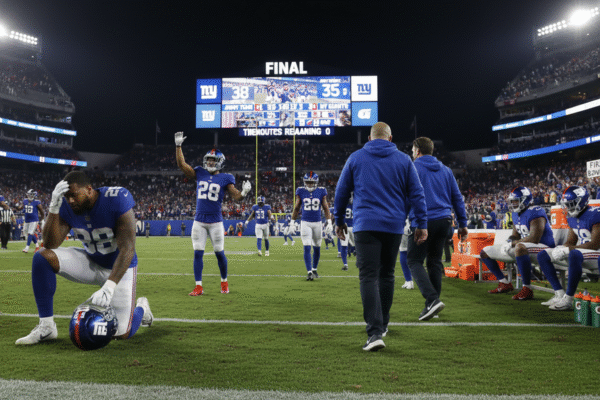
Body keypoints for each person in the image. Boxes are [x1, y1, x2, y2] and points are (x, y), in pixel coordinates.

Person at [15, 171, 153, 345]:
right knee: (42, 257)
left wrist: (110, 286)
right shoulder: (66, 205)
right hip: (91, 261)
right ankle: (47, 326)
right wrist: (54, 206)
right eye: (67, 197)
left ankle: (142, 307)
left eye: (74, 195)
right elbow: (49, 244)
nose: (71, 200)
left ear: (88, 189)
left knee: (120, 333)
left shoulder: (116, 199)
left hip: (119, 268)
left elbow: (128, 249)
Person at [335, 122, 428, 351]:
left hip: (365, 225)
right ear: (390, 138)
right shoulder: (404, 160)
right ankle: (383, 324)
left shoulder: (356, 158)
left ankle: (374, 332)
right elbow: (417, 193)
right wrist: (421, 224)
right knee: (387, 274)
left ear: (369, 138)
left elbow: (341, 192)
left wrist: (339, 220)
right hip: (393, 225)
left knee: (368, 276)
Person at [175, 131, 251, 296]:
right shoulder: (200, 173)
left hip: (216, 222)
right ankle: (198, 286)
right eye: (208, 159)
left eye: (213, 160)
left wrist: (244, 193)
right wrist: (178, 146)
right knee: (197, 253)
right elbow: (182, 165)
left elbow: (236, 196)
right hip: (199, 221)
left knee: (219, 253)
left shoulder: (225, 178)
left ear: (220, 162)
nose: (209, 162)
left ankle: (224, 282)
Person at [408, 137, 468, 321]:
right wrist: (463, 223)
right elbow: (457, 198)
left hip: (423, 220)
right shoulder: (446, 170)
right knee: (434, 261)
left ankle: (432, 299)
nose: (412, 152)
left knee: (414, 261)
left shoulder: (413, 168)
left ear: (417, 150)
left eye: (412, 149)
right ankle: (432, 306)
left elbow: (405, 197)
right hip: (444, 221)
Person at [480, 186, 556, 300]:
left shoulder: (536, 211)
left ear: (525, 200)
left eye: (515, 201)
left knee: (519, 247)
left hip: (544, 248)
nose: (513, 204)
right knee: (485, 252)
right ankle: (504, 282)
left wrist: (513, 244)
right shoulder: (515, 213)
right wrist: (509, 241)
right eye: (512, 201)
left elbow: (534, 238)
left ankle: (527, 288)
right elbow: (515, 235)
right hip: (523, 248)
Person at [537, 186, 600, 310]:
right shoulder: (571, 217)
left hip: (596, 252)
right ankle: (559, 294)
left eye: (571, 204)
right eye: (566, 204)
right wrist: (561, 248)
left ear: (581, 201)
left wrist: (567, 250)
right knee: (543, 255)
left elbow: (595, 244)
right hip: (583, 253)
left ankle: (569, 299)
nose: (568, 208)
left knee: (574, 254)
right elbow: (571, 241)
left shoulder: (595, 214)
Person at [291, 171, 333, 281]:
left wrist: (329, 222)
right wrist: (292, 222)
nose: (309, 184)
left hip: (317, 223)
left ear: (316, 182)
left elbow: (325, 207)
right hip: (305, 222)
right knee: (307, 246)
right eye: (308, 182)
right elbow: (296, 207)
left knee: (317, 247)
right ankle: (309, 272)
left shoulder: (321, 191)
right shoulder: (300, 190)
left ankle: (314, 269)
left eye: (311, 182)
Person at [338, 196, 356, 271]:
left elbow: (339, 215)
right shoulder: (355, 205)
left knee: (344, 246)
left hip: (344, 227)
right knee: (358, 245)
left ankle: (345, 264)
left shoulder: (343, 205)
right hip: (353, 227)